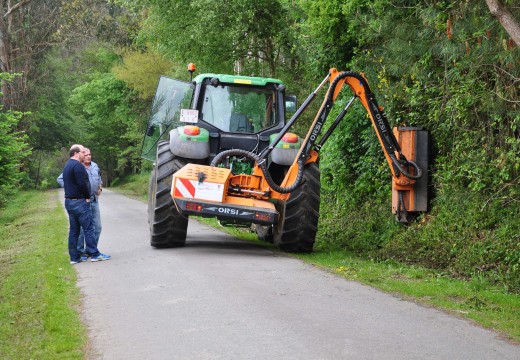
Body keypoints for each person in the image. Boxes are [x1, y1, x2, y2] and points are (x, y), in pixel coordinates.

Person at [61, 144, 110, 264]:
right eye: (83, 152)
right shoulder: (78, 166)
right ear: (76, 153)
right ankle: (94, 254)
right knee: (88, 229)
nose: (85, 154)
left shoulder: (67, 165)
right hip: (80, 203)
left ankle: (74, 257)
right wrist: (87, 197)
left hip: (69, 202)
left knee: (74, 231)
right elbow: (83, 184)